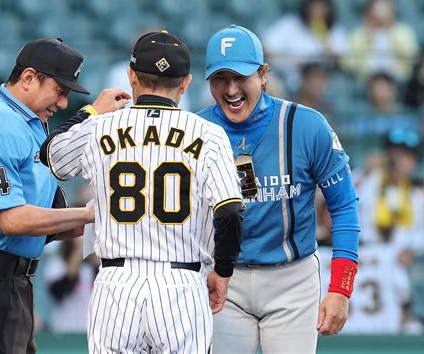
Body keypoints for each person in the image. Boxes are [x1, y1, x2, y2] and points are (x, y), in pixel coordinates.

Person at [40, 30, 244, 353]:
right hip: (182, 284)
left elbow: (51, 155)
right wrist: (223, 271)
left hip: (116, 284)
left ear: (131, 76)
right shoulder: (210, 135)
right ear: (186, 83)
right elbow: (231, 211)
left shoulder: (100, 127)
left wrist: (91, 112)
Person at [198, 24, 361, 354]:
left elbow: (344, 206)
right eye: (219, 79)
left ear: (263, 74)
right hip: (221, 279)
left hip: (293, 280)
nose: (230, 89)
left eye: (240, 77)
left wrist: (341, 288)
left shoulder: (308, 125)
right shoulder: (194, 130)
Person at [0, 37, 128, 354]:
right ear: (28, 78)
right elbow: (12, 220)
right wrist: (93, 212)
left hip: (13, 281)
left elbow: (52, 224)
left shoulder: (32, 123)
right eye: (60, 90)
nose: (64, 103)